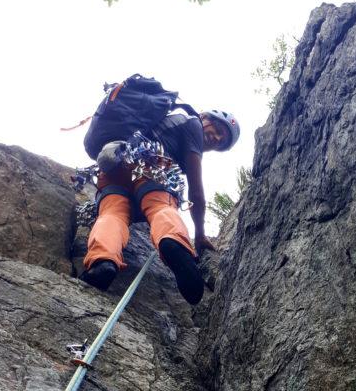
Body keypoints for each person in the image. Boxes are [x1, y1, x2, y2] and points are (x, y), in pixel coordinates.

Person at [80, 108, 240, 304]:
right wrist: (199, 234)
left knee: (111, 213)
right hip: (152, 166)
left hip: (116, 166)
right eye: (217, 129)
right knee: (160, 208)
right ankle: (175, 244)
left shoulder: (166, 120)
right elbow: (196, 192)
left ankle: (102, 261)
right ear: (204, 117)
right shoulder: (193, 124)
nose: (216, 138)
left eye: (221, 141)